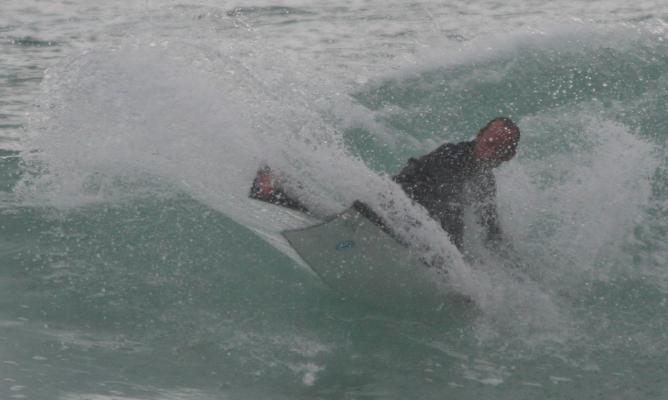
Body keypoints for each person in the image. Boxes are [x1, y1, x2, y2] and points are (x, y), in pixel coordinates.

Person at [249, 117, 520, 251]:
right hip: (394, 202)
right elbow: (450, 214)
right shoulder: (454, 156)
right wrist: (459, 274)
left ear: (506, 156)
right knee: (348, 218)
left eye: (499, 147)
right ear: (480, 135)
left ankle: (276, 187)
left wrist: (509, 262)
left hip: (412, 218)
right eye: (489, 140)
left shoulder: (483, 179)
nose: (491, 148)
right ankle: (273, 187)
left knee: (341, 214)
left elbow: (490, 228)